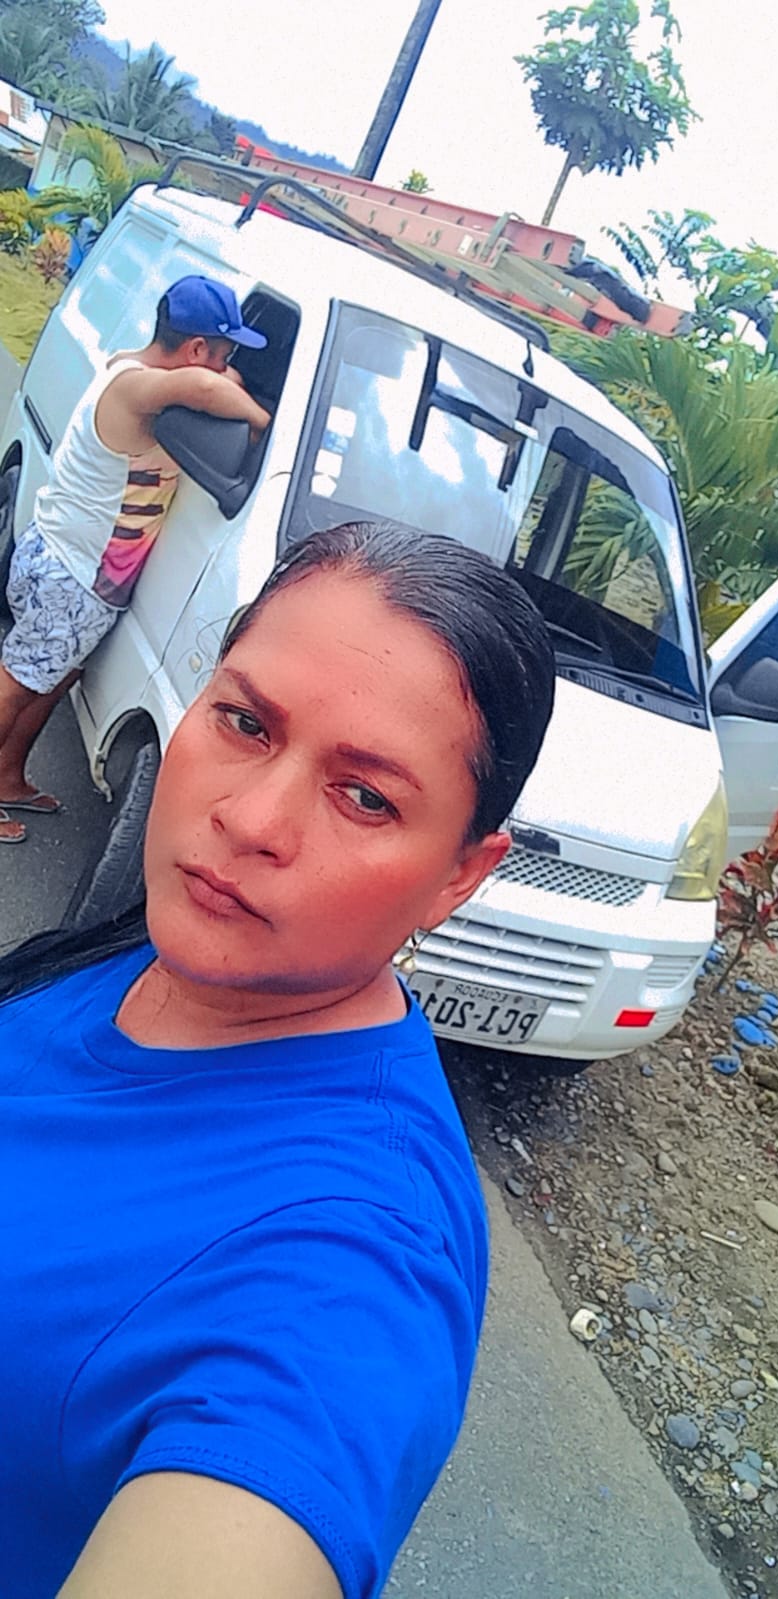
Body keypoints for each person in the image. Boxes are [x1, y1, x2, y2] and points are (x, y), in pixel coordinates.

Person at [0, 520, 556, 1599]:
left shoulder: (350, 1258)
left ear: (459, 876)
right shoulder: (165, 953)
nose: (250, 817)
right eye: (246, 722)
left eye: (366, 796)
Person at [0, 275, 272, 845]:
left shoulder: (133, 366)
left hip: (78, 572)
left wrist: (224, 374)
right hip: (73, 574)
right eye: (224, 353)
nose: (228, 366)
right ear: (196, 349)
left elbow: (207, 381)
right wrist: (261, 420)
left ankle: (7, 777)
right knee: (19, 682)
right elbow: (205, 389)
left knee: (53, 678)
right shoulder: (137, 389)